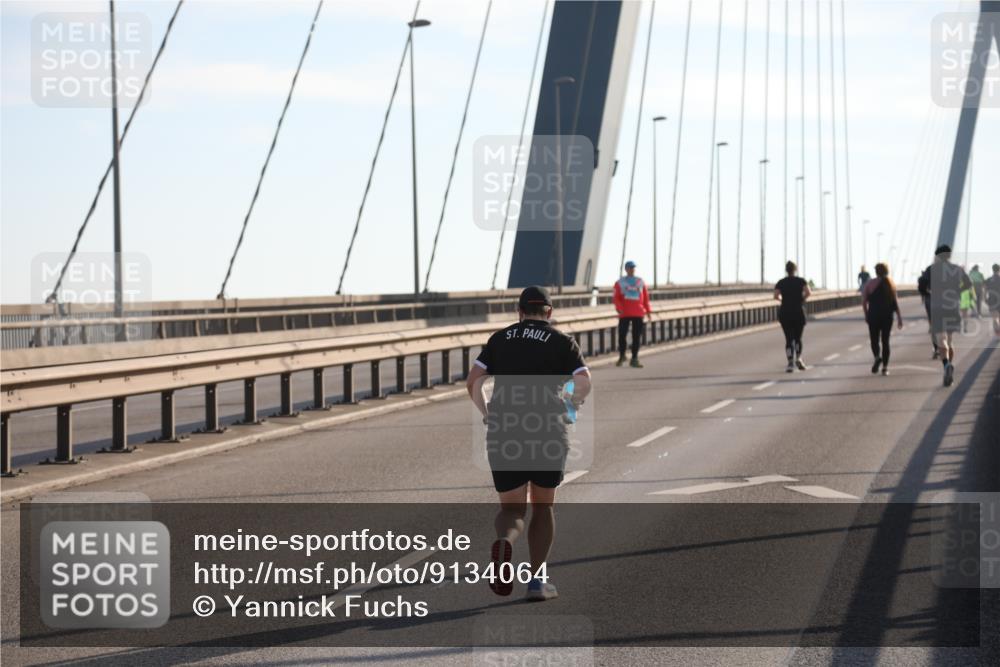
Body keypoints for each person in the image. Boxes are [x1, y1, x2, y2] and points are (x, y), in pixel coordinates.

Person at [466, 286, 592, 601]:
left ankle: (506, 543)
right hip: (547, 430)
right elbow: (585, 380)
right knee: (543, 506)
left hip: (505, 429)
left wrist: (487, 412)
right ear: (548, 312)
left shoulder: (500, 339)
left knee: (511, 510)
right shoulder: (563, 342)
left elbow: (473, 381)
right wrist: (572, 403)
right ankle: (537, 582)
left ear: (519, 312)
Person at [918, 245, 972, 387]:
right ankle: (949, 367)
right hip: (953, 307)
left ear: (937, 256)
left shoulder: (931, 269)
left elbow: (921, 284)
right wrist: (957, 290)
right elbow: (968, 283)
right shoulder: (957, 269)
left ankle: (946, 365)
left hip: (937, 308)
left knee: (941, 339)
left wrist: (927, 293)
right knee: (950, 339)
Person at [862, 263, 903, 375]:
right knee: (885, 341)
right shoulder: (891, 284)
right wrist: (899, 318)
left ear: (876, 272)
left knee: (874, 340)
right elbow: (895, 303)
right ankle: (885, 368)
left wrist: (866, 315)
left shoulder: (869, 283)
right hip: (887, 316)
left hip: (873, 315)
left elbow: (864, 302)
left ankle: (876, 357)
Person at [613, 260, 653, 368]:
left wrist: (648, 312)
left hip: (638, 313)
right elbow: (616, 298)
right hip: (624, 313)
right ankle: (622, 355)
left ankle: (634, 358)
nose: (632, 270)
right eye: (630, 268)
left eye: (633, 268)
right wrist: (619, 308)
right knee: (622, 335)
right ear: (626, 269)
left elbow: (646, 299)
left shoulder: (640, 282)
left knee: (636, 337)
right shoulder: (619, 282)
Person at [774, 261, 811, 372]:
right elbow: (808, 292)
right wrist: (802, 299)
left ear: (786, 270)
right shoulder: (801, 281)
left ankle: (790, 362)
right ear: (795, 269)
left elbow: (775, 296)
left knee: (789, 339)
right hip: (798, 312)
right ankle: (799, 358)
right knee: (798, 338)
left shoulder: (781, 282)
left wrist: (783, 300)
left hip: (785, 312)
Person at [917, 262, 940, 359]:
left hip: (931, 299)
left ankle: (936, 348)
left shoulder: (929, 269)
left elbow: (921, 283)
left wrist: (925, 293)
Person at [984, 264, 1000, 335]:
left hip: (992, 300)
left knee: (995, 318)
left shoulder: (988, 280)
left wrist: (985, 299)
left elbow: (985, 290)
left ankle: (997, 332)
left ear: (992, 270)